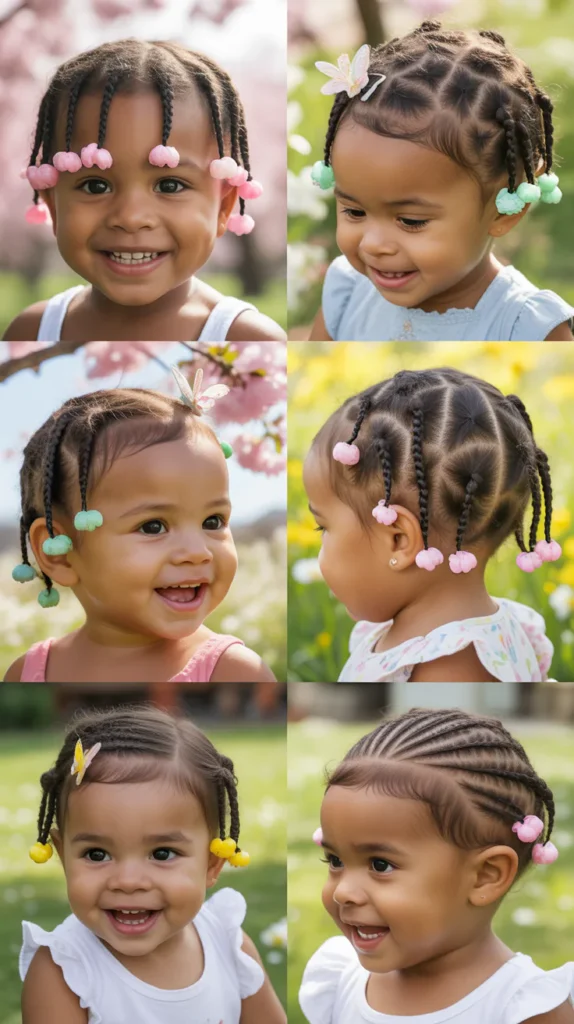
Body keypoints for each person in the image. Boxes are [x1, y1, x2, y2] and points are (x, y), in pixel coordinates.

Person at [300, 706, 574, 1024]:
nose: (343, 892)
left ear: (486, 876)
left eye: (380, 865)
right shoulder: (341, 981)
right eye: (335, 861)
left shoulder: (523, 1009)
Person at [4, 365, 277, 682]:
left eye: (213, 521)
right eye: (153, 526)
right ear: (58, 552)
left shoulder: (235, 672)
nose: (197, 552)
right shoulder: (26, 673)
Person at [4, 39, 285, 342]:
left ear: (224, 206)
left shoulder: (249, 339)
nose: (131, 217)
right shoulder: (30, 333)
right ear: (53, 205)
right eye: (95, 185)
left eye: (170, 185)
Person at [20, 704, 287, 1024]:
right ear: (64, 857)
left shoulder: (228, 944)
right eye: (96, 854)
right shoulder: (64, 971)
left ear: (212, 864)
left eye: (162, 854)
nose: (129, 881)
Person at [308, 22, 574, 341]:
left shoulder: (529, 329)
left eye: (410, 220)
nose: (373, 245)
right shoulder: (347, 291)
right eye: (354, 212)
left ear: (505, 210)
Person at [303, 367, 560, 681]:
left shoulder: (449, 667)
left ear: (398, 539)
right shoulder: (505, 628)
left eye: (323, 527)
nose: (321, 543)